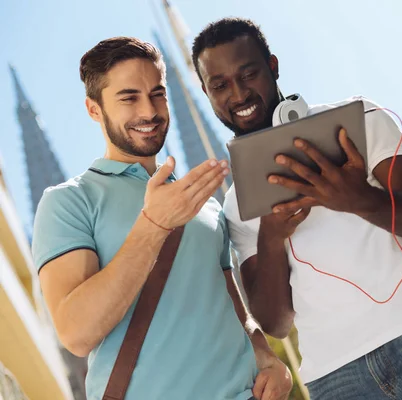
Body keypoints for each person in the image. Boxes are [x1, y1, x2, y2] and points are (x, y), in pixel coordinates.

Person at [191, 17, 402, 400]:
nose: (238, 94)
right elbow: (276, 323)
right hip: (335, 377)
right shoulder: (238, 203)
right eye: (220, 85)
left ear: (273, 65)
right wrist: (271, 237)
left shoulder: (360, 119)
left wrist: (358, 199)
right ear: (206, 91)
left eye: (248, 74)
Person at [32, 36, 292, 400]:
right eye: (129, 98)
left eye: (157, 93)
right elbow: (77, 333)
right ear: (94, 110)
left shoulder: (205, 204)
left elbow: (235, 307)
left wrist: (267, 358)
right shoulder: (69, 202)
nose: (149, 111)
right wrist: (154, 225)